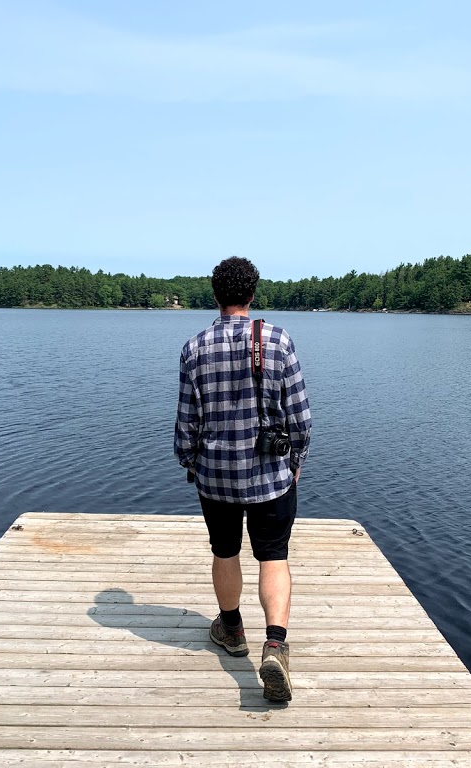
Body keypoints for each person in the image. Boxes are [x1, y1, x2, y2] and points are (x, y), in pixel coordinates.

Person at [174, 256, 312, 702]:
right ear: (252, 294)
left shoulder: (194, 348)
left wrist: (191, 463)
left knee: (225, 550)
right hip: (270, 475)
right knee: (273, 555)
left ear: (215, 296)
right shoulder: (277, 339)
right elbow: (300, 418)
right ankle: (275, 644)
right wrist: (296, 461)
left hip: (216, 477)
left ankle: (232, 631)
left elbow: (186, 425)